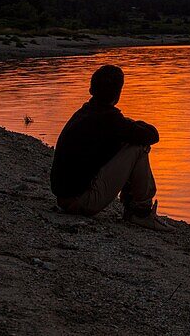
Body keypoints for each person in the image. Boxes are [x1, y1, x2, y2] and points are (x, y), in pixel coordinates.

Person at [50, 64, 173, 231]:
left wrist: (128, 125)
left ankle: (133, 207)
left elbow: (128, 131)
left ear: (91, 90)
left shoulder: (86, 112)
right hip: (82, 202)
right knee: (138, 147)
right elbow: (152, 135)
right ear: (118, 94)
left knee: (127, 143)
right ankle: (141, 212)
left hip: (64, 199)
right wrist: (132, 123)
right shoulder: (108, 120)